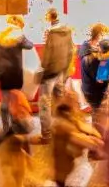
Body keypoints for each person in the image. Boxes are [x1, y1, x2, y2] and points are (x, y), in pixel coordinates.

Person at [0, 15, 33, 133]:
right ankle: (15, 127)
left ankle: (6, 129)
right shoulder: (19, 36)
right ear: (18, 23)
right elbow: (30, 45)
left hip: (3, 72)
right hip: (15, 73)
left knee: (4, 101)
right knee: (15, 101)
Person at [37, 9, 75, 140]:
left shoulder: (50, 33)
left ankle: (46, 134)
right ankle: (63, 130)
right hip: (61, 71)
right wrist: (65, 71)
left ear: (49, 17)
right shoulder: (67, 31)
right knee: (60, 101)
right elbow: (71, 51)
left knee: (44, 103)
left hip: (50, 72)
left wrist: (42, 69)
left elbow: (47, 56)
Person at [51, 96, 102, 187]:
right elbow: (77, 138)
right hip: (65, 170)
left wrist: (94, 137)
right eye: (75, 103)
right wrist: (94, 142)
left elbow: (85, 129)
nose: (77, 105)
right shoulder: (62, 126)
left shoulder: (70, 120)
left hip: (68, 167)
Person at [82, 38, 109, 112]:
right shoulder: (98, 61)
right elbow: (100, 80)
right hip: (95, 92)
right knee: (98, 114)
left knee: (97, 113)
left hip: (88, 89)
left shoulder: (88, 55)